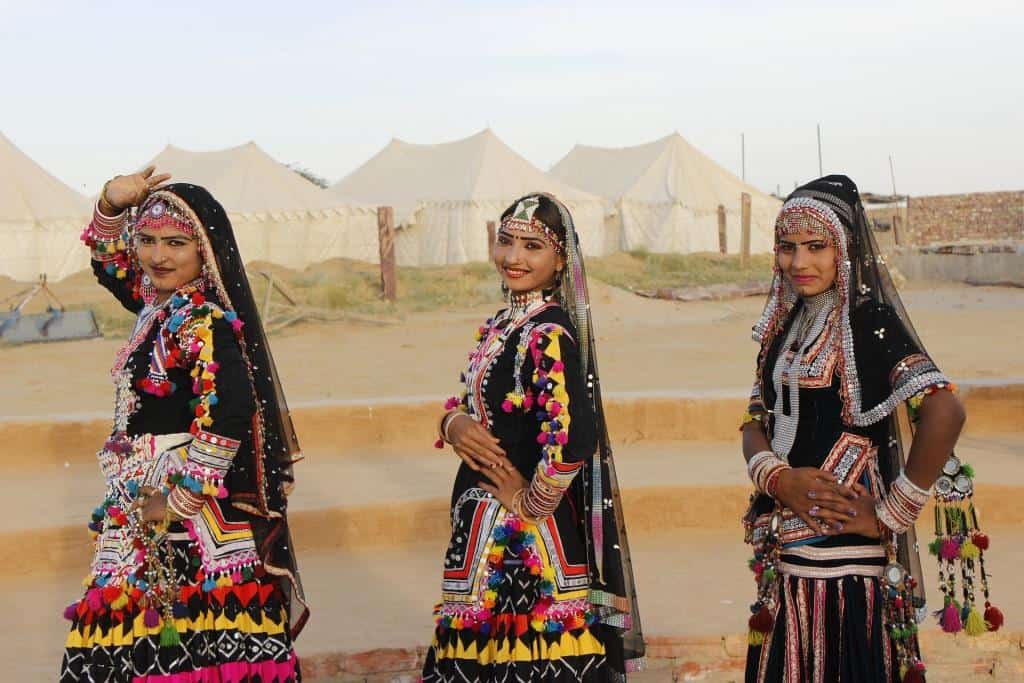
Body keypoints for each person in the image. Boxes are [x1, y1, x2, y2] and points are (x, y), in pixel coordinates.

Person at [62, 167, 308, 682]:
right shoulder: (159, 304)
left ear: (204, 251)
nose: (157, 256)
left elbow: (231, 413)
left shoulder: (203, 320)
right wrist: (110, 203)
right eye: (147, 240)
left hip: (186, 510)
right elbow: (110, 267)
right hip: (142, 494)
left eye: (175, 243)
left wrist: (177, 501)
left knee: (188, 639)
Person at [741, 175, 972, 682]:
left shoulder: (869, 322)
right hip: (787, 553)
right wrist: (776, 478)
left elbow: (945, 410)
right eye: (788, 247)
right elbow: (755, 420)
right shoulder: (783, 327)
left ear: (844, 250)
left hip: (847, 565)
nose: (799, 263)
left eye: (816, 247)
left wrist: (892, 513)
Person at [422, 194, 645, 681]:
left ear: (560, 259)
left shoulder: (547, 331)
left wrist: (530, 502)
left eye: (531, 246)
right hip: (483, 522)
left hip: (526, 542)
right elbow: (477, 403)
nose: (514, 258)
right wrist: (452, 424)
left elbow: (574, 436)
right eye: (505, 242)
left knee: (529, 658)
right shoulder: (503, 324)